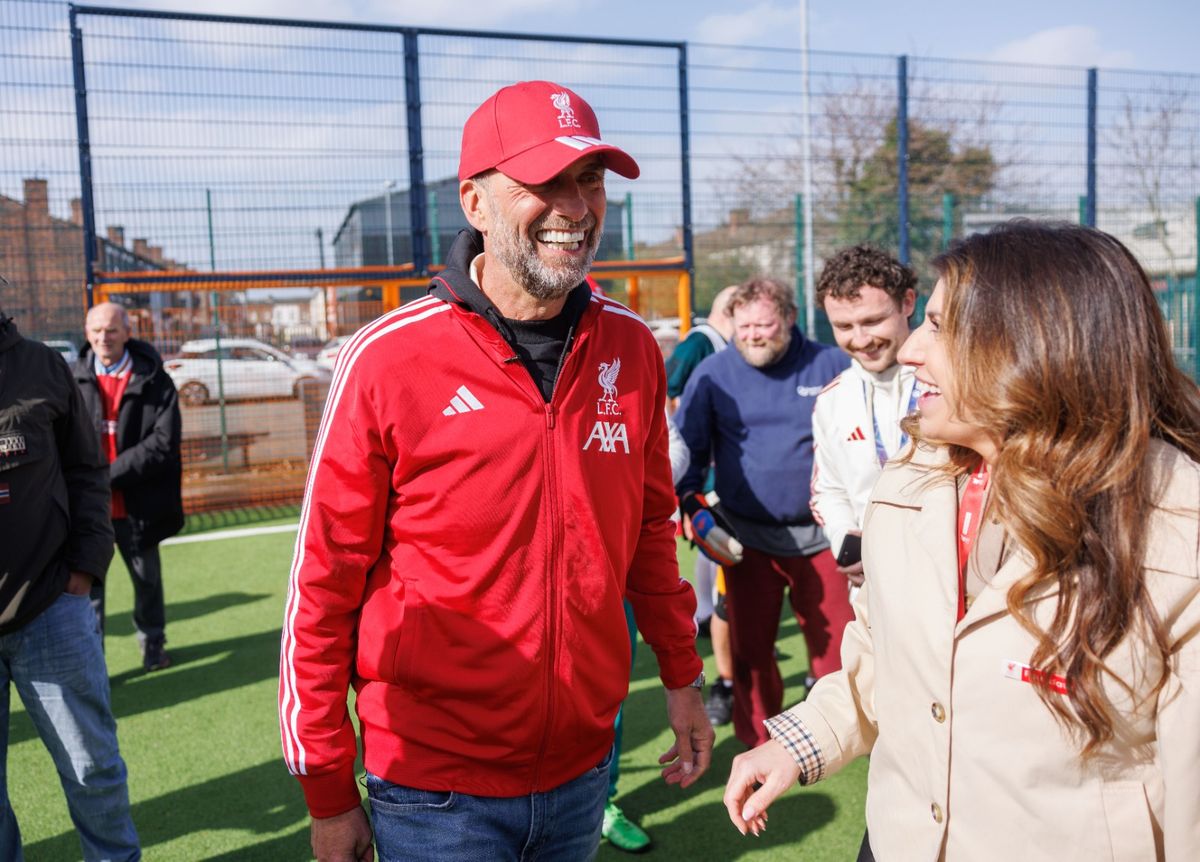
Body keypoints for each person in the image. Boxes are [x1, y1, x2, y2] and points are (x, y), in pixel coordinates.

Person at [279, 80, 713, 862]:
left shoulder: (633, 350)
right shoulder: (386, 359)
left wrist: (682, 675)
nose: (575, 208)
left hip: (585, 769)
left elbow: (650, 531)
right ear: (475, 203)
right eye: (544, 183)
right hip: (432, 788)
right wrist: (327, 789)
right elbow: (324, 579)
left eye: (589, 181)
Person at [724, 221, 1200, 862]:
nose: (911, 348)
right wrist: (803, 738)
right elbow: (878, 655)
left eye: (942, 327)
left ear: (1038, 345)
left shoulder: (1178, 531)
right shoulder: (908, 482)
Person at [675, 277, 851, 750]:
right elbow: (684, 455)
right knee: (751, 654)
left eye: (764, 325)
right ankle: (758, 745)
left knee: (835, 654)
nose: (752, 334)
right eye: (744, 324)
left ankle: (831, 741)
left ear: (790, 320)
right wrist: (691, 505)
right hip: (746, 542)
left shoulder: (832, 364)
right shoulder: (712, 373)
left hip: (826, 539)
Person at [0, 287, 141, 861]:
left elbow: (87, 471)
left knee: (91, 769)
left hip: (48, 607)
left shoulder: (42, 366)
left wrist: (84, 570)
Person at [75, 301, 184, 671]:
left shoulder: (155, 379)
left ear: (127, 332)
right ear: (87, 333)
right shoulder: (71, 378)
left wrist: (107, 477)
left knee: (147, 581)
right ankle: (93, 662)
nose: (104, 337)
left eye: (112, 330)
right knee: (90, 592)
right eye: (97, 330)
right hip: (89, 510)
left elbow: (163, 443)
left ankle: (153, 644)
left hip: (139, 506)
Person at [811, 246, 917, 595]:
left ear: (908, 303)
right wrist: (845, 537)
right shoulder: (832, 400)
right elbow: (829, 490)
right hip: (873, 588)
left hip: (951, 583)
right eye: (843, 326)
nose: (860, 339)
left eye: (873, 321)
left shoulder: (956, 383)